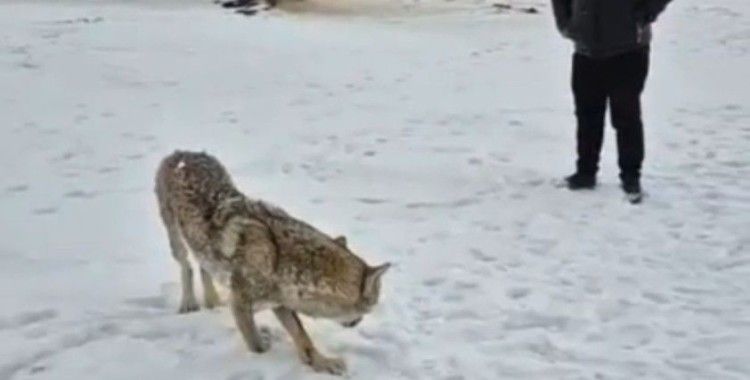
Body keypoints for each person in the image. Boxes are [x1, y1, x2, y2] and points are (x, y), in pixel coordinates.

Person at [551, 0, 672, 203]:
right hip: (586, 47)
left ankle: (631, 176)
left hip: (628, 47)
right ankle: (585, 172)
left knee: (626, 115)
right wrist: (565, 23)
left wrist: (645, 14)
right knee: (587, 114)